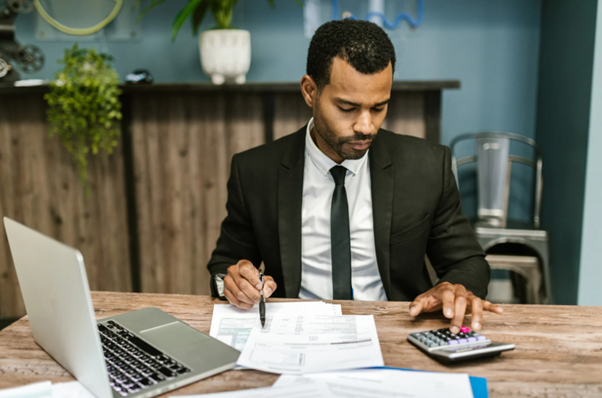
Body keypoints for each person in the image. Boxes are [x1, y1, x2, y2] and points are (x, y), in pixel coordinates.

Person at [207, 19, 502, 333]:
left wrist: (454, 287)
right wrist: (232, 283)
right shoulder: (255, 171)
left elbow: (468, 262)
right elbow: (225, 266)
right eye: (347, 107)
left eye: (378, 107)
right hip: (293, 333)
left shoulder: (428, 167)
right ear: (310, 91)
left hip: (398, 330)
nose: (366, 126)